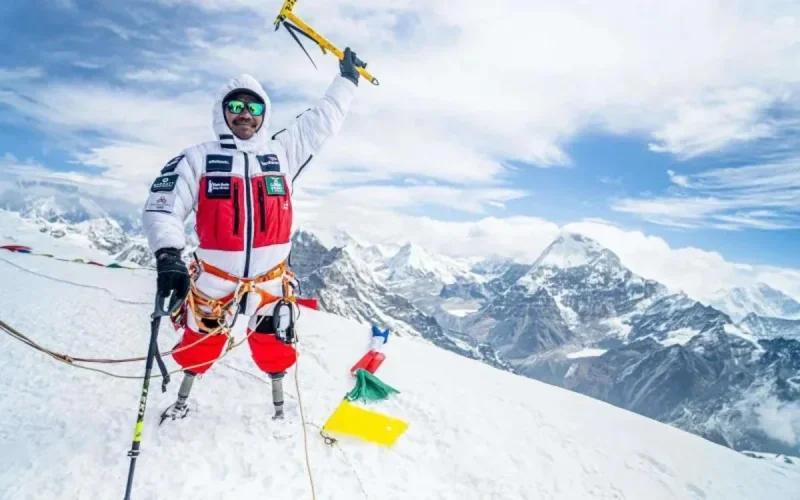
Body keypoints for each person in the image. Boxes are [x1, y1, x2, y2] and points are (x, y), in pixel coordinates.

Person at [142, 48, 363, 422]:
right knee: (199, 345)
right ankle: (182, 401)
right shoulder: (196, 158)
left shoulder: (281, 154)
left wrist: (347, 81)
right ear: (222, 112)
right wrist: (168, 255)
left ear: (264, 114)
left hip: (271, 283)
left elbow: (320, 122)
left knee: (274, 344)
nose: (246, 114)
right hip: (214, 281)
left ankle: (279, 410)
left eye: (254, 108)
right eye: (237, 107)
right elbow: (163, 206)